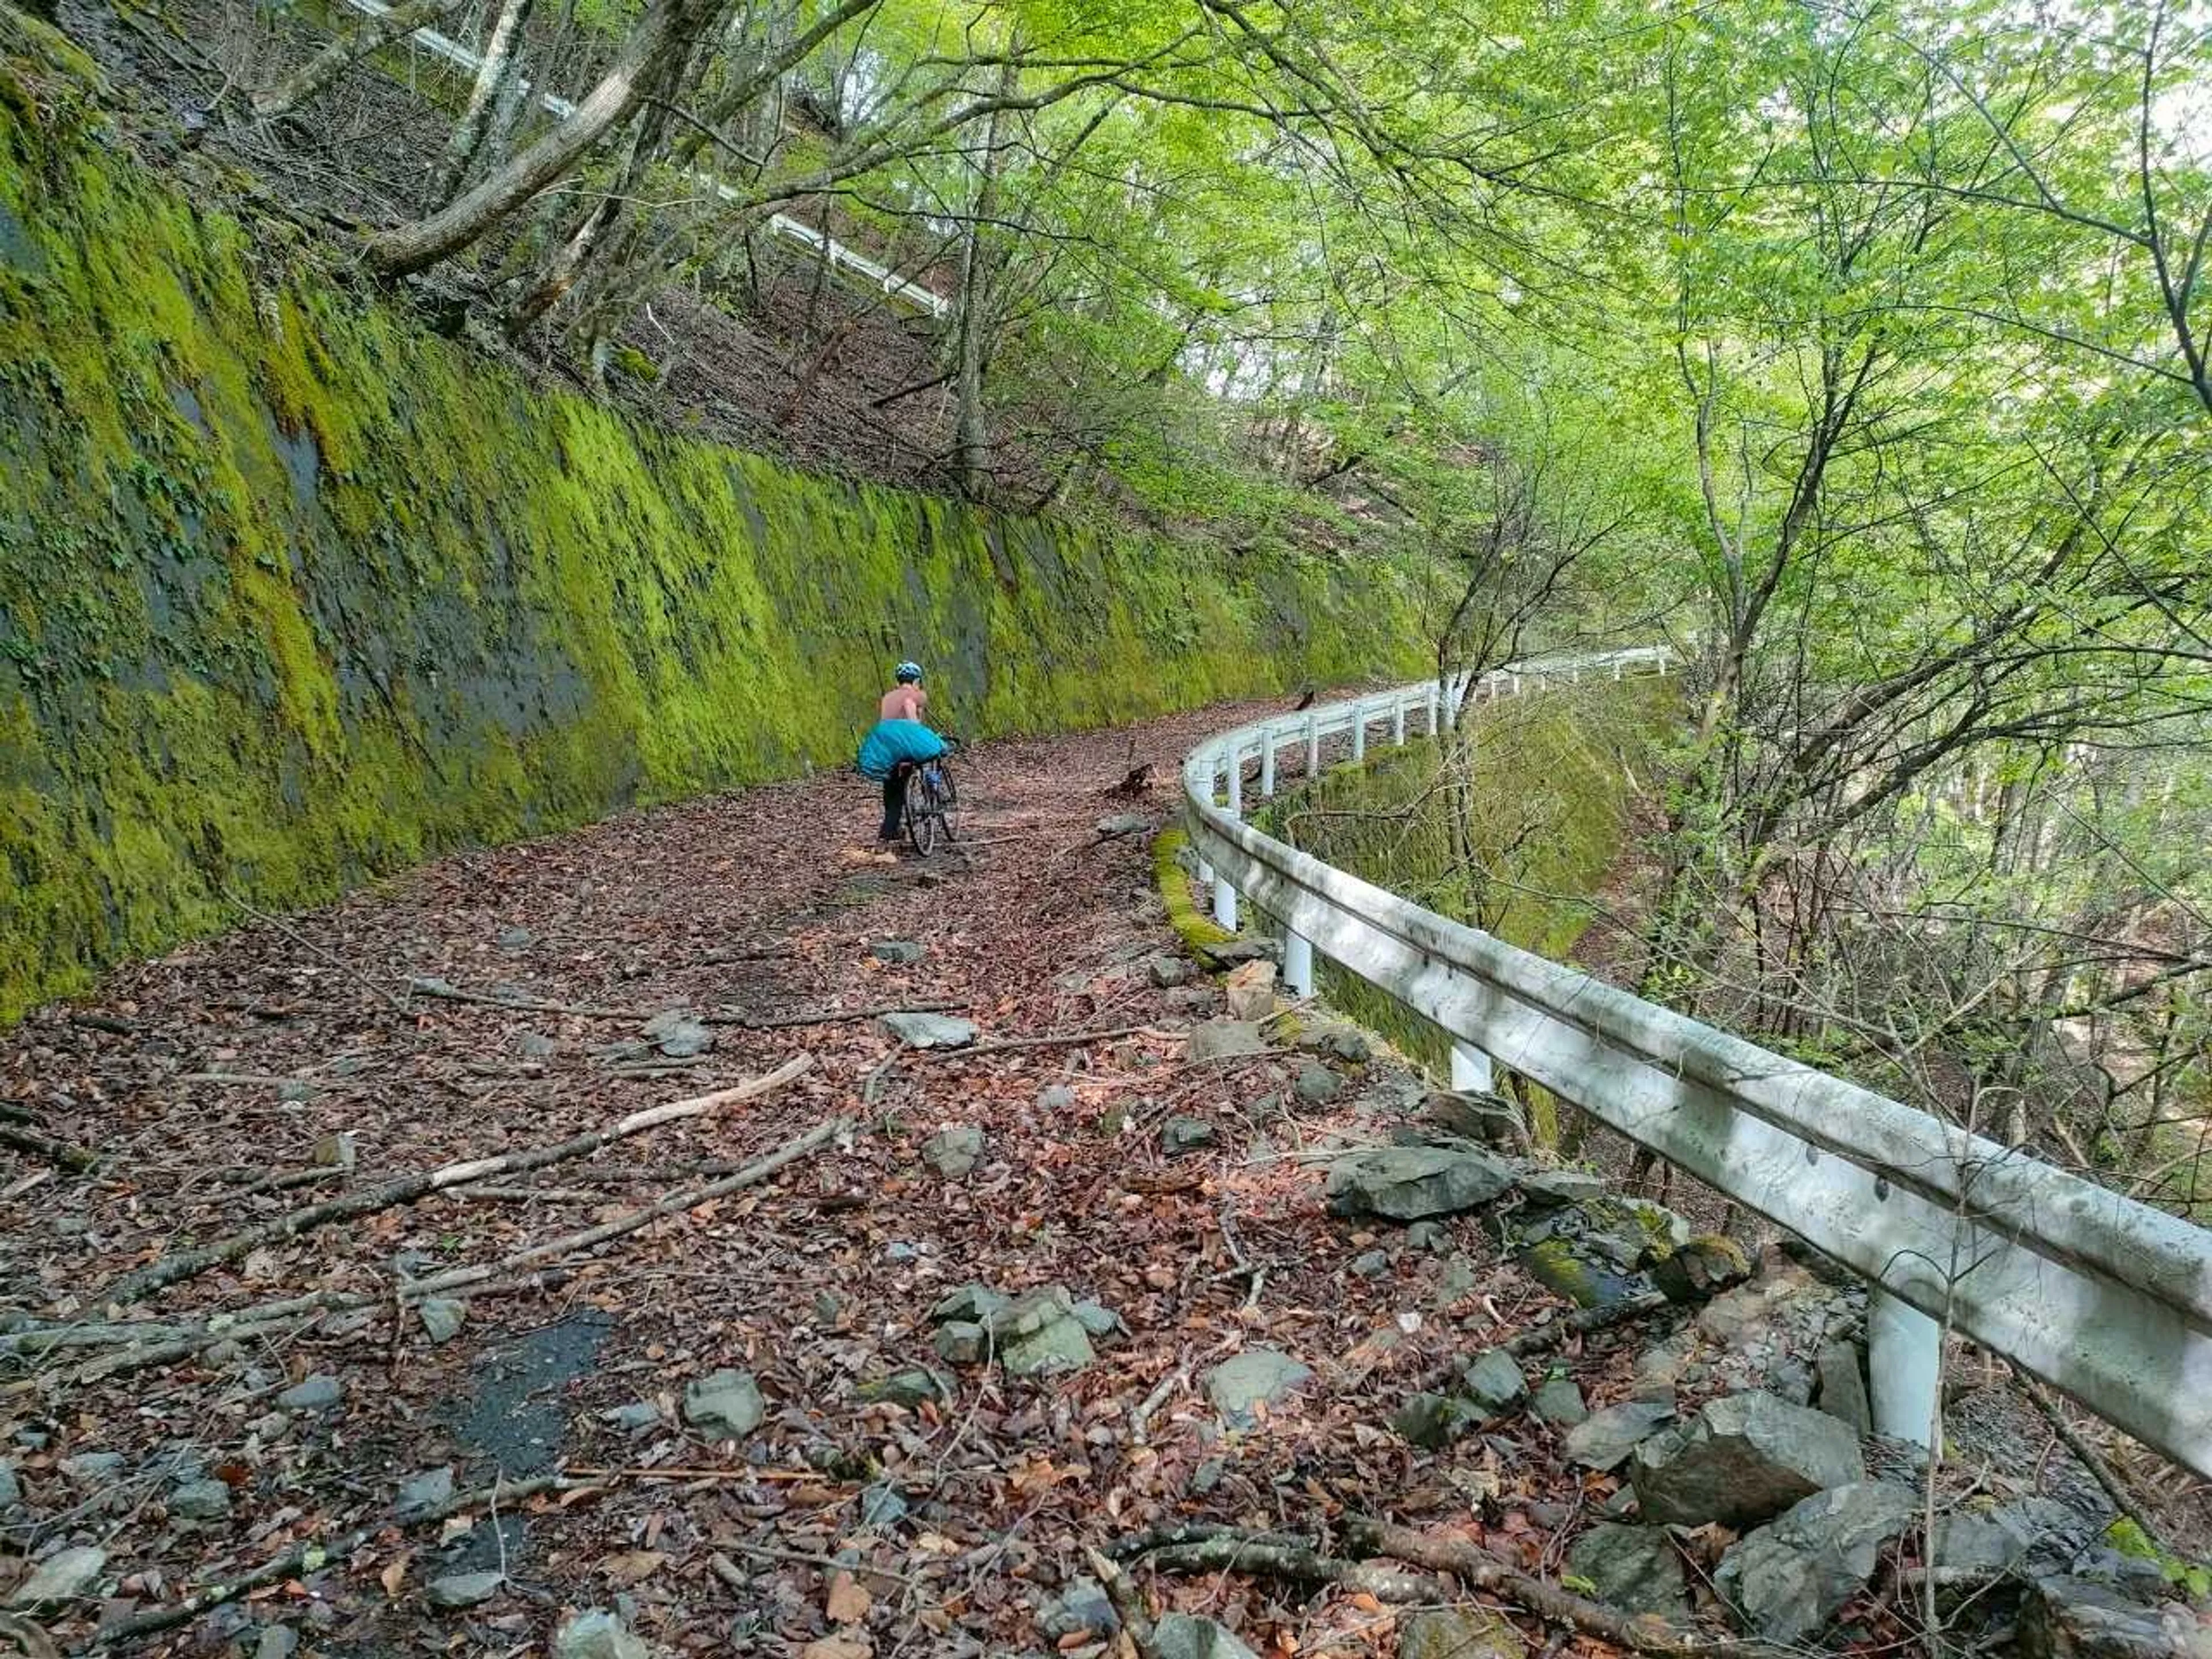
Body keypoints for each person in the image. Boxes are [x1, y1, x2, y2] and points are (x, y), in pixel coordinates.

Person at [857, 661, 947, 840]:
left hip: (885, 743)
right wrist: (917, 724)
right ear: (916, 681)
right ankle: (932, 790)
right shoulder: (916, 694)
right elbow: (910, 707)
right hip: (906, 741)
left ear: (898, 681)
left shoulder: (887, 697)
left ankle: (890, 827)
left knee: (892, 784)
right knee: (931, 757)